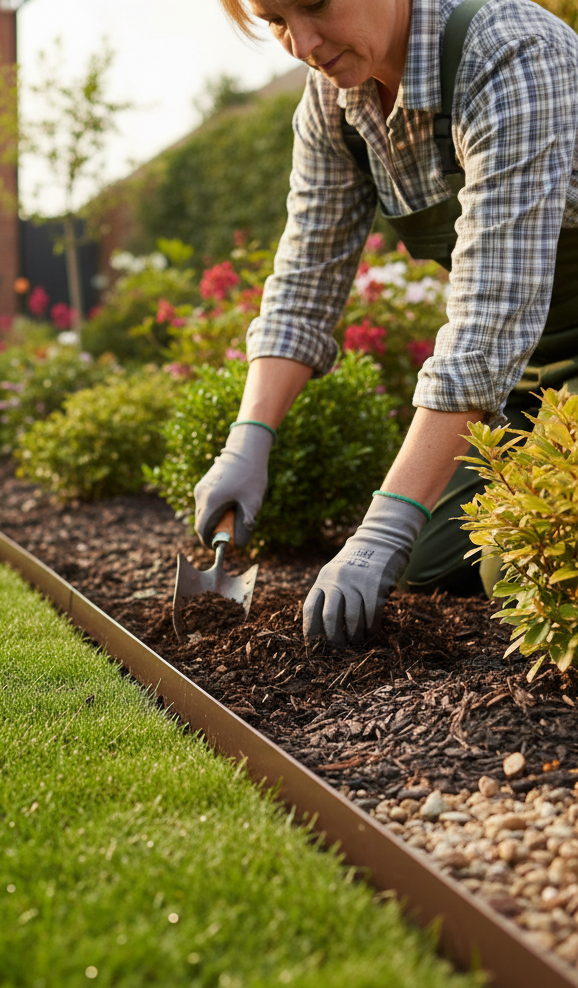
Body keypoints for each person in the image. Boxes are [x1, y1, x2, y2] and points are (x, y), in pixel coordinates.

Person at [194, 0, 578, 647]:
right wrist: (248, 439)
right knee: (429, 559)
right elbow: (304, 283)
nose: (302, 45)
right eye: (276, 20)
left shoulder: (510, 56)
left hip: (512, 347)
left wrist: (382, 526)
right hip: (527, 374)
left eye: (314, 3)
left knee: (516, 564)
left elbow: (488, 320)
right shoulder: (336, 105)